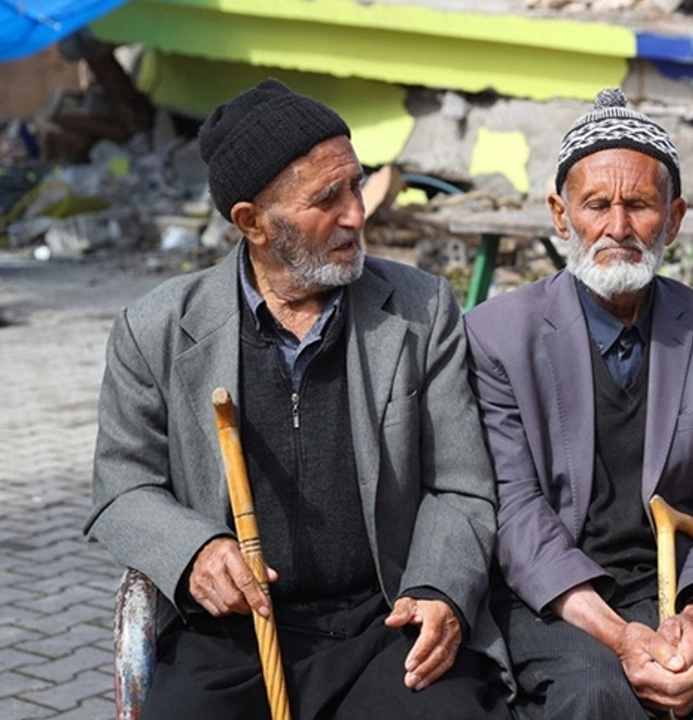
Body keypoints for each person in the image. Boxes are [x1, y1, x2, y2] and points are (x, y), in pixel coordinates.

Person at [85, 79, 510, 720]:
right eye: (327, 199)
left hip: (385, 619)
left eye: (356, 185)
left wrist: (437, 587)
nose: (357, 214)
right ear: (252, 223)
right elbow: (122, 487)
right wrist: (194, 549)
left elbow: (461, 485)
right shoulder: (157, 330)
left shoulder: (424, 310)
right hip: (232, 637)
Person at [464, 88, 693, 720]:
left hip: (689, 589)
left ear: (675, 217)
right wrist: (619, 635)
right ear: (559, 214)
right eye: (596, 205)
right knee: (598, 696)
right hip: (564, 601)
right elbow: (516, 515)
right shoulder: (498, 337)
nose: (618, 229)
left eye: (639, 205)